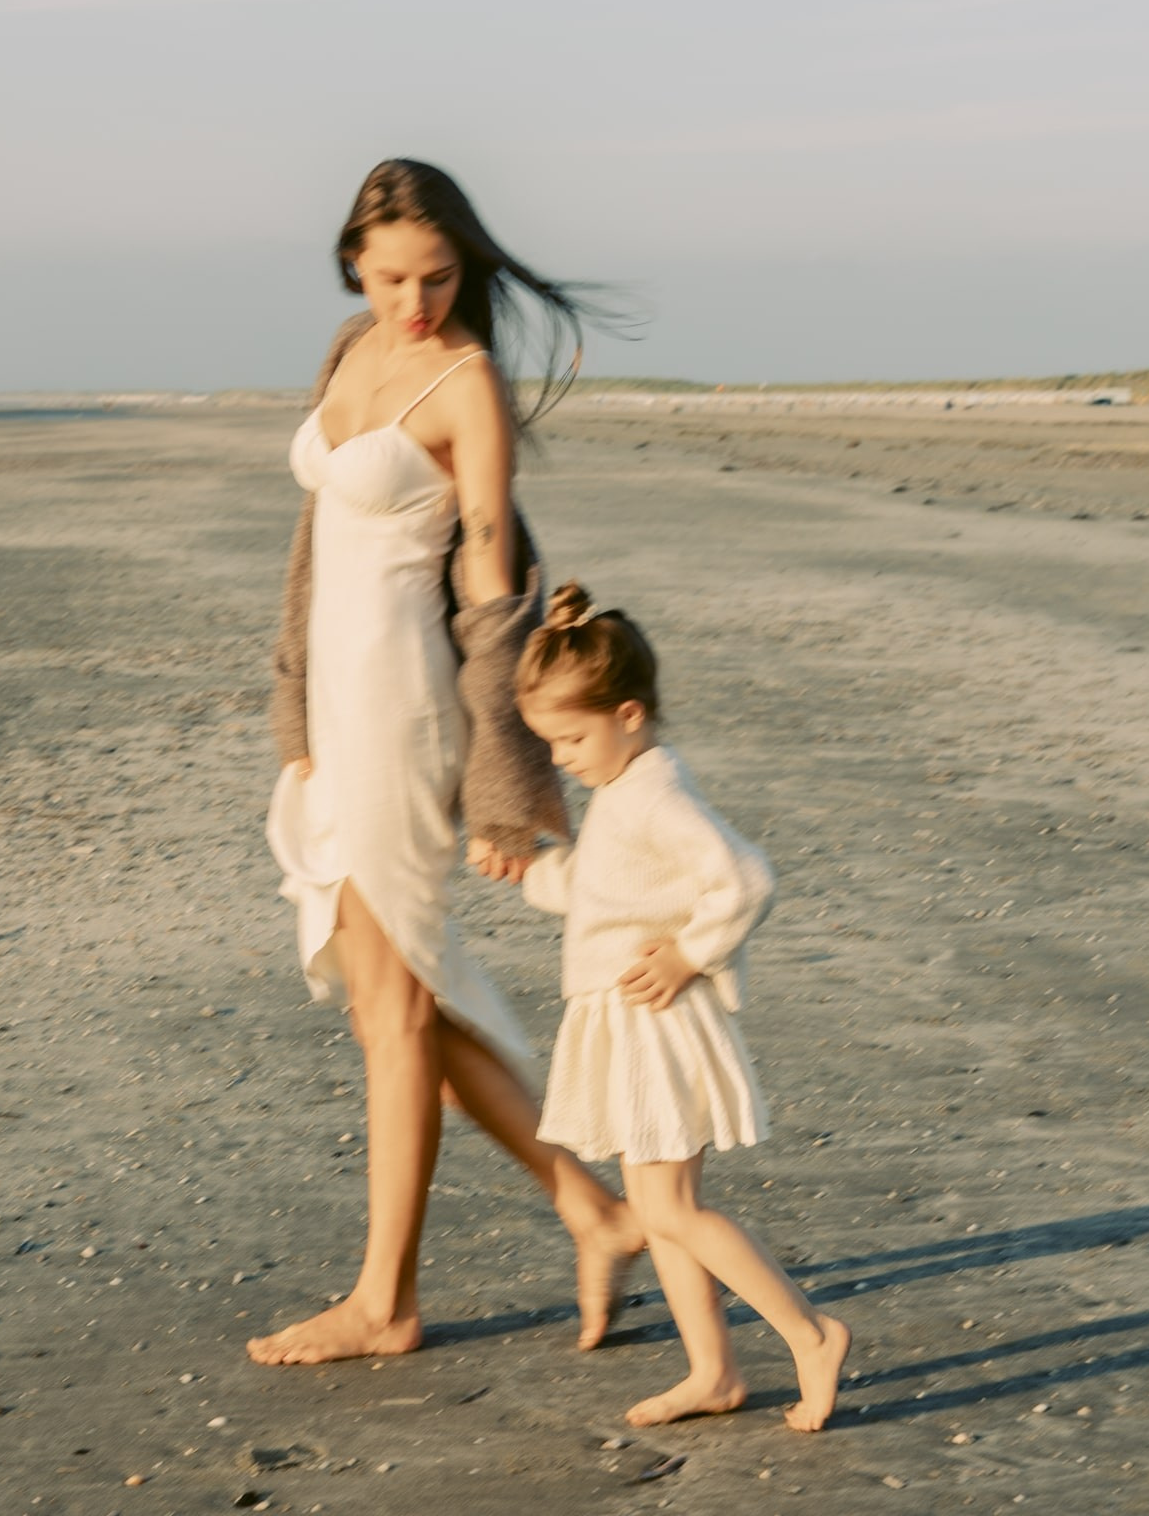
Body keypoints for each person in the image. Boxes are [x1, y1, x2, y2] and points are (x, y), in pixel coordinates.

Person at [248, 159, 640, 1367]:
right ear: (353, 265)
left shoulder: (466, 385)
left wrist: (503, 784)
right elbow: (318, 545)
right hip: (336, 697)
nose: (416, 301)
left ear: (464, 268)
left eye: (440, 276)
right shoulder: (347, 350)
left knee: (396, 1000)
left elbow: (488, 588)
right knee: (394, 1001)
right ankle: (590, 1207)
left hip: (408, 707)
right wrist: (295, 719)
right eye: (393, 277)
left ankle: (385, 1301)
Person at [509, 581, 851, 1430]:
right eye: (549, 741)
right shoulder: (624, 790)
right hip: (625, 1024)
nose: (560, 758)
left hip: (653, 1023)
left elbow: (744, 877)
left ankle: (810, 1334)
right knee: (660, 1214)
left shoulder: (655, 791)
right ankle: (714, 1372)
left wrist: (693, 955)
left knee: (671, 1209)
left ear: (629, 714)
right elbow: (606, 891)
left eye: (571, 737)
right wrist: (531, 870)